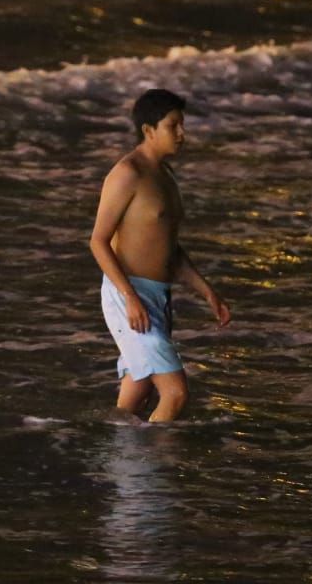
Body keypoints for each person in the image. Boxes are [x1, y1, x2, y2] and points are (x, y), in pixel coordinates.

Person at [89, 89, 231, 424]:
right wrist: (131, 298)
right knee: (175, 392)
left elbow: (169, 248)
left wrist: (207, 291)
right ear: (149, 130)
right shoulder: (128, 174)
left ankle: (118, 459)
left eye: (183, 124)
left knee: (138, 394)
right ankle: (156, 466)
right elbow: (97, 241)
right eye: (173, 125)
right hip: (129, 296)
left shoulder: (166, 176)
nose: (182, 134)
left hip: (157, 297)